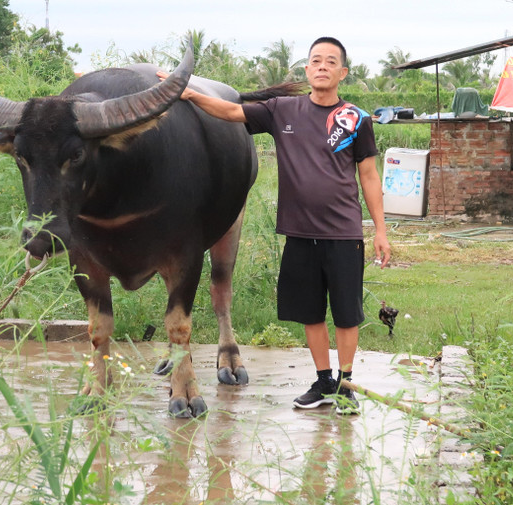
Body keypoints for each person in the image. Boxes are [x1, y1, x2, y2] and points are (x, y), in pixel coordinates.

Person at [159, 36, 391, 414]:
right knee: (310, 313)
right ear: (307, 69)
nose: (322, 66)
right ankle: (323, 382)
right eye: (316, 60)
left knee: (346, 315)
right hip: (299, 234)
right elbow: (229, 111)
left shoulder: (356, 119)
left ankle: (345, 385)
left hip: (344, 233)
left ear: (342, 73)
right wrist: (188, 93)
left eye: (331, 62)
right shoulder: (282, 110)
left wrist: (380, 230)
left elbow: (369, 175)